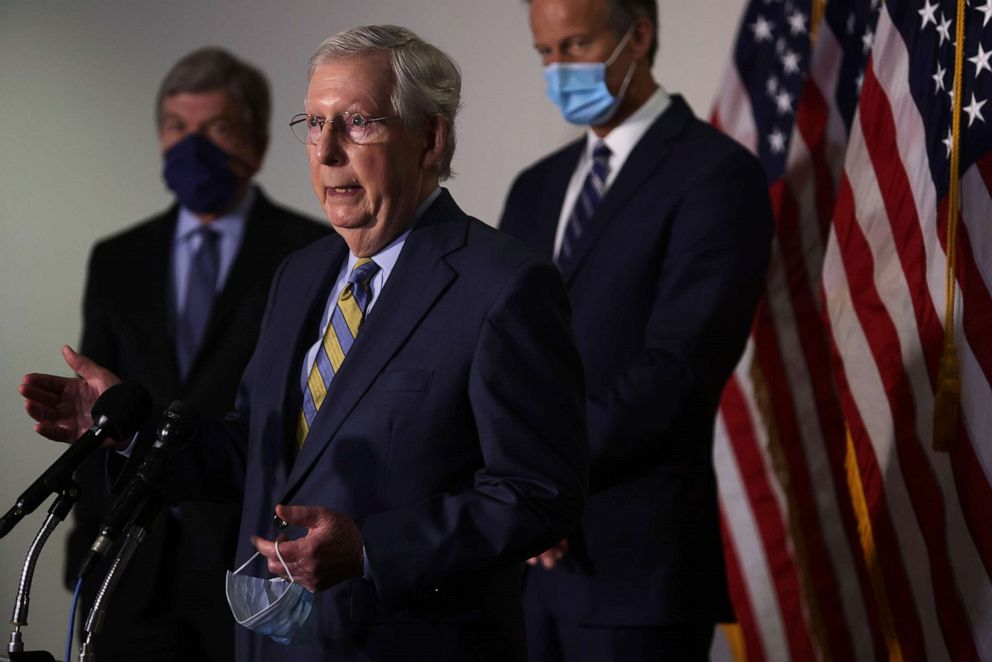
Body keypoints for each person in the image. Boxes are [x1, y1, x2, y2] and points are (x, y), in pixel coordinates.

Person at [23, 25, 588, 662]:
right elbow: (253, 449)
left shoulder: (502, 284)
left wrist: (373, 549)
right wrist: (127, 426)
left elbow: (537, 494)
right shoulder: (300, 273)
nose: (327, 152)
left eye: (358, 123)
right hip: (273, 643)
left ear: (430, 139)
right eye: (315, 125)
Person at [499, 0, 773, 659]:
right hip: (519, 570)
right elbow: (495, 354)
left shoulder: (716, 174)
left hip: (634, 574)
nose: (558, 69)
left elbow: (676, 370)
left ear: (639, 37)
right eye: (545, 53)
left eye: (575, 46)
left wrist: (540, 474)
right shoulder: (534, 189)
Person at [65, 47, 330, 661]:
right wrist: (86, 546)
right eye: (178, 129)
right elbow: (96, 408)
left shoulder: (311, 255)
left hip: (252, 570)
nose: (193, 147)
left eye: (216, 129)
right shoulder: (118, 259)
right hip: (128, 572)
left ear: (259, 141)